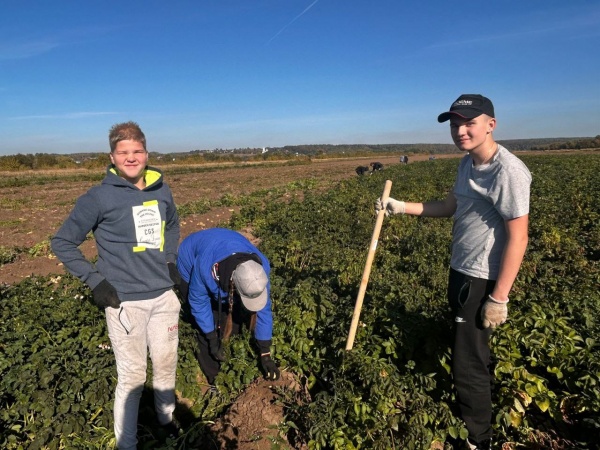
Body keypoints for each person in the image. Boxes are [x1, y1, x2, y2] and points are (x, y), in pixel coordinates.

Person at [376, 94, 531, 450]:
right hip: (460, 270)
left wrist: (499, 297)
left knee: (469, 362)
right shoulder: (466, 164)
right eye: (455, 124)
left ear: (490, 125)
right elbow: (449, 206)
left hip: (481, 280)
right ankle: (474, 421)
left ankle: (478, 439)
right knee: (468, 349)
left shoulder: (508, 171)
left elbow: (518, 238)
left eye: (469, 123)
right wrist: (400, 207)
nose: (460, 130)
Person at [51, 121, 182, 449]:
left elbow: (174, 225)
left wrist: (170, 260)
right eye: (124, 152)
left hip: (164, 297)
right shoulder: (97, 198)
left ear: (147, 154)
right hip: (125, 303)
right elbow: (63, 241)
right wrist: (95, 281)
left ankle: (166, 420)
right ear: (112, 156)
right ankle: (127, 443)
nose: (132, 157)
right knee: (134, 377)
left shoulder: (161, 189)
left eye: (137, 151)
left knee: (166, 363)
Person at [176, 228, 280, 388]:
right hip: (190, 260)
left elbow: (263, 310)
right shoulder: (205, 270)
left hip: (225, 243)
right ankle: (214, 380)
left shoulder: (260, 270)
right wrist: (211, 338)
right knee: (204, 324)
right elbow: (198, 303)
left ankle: (227, 343)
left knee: (233, 315)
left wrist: (265, 353)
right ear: (234, 285)